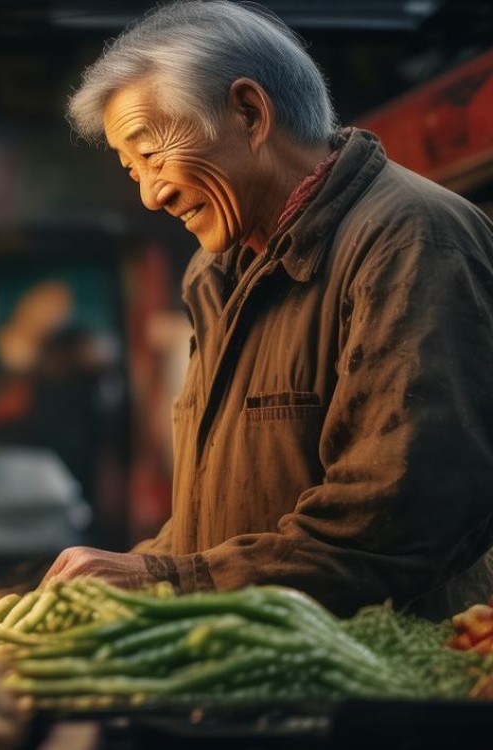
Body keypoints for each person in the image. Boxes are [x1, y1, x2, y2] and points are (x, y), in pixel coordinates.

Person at [46, 0, 493, 617]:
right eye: (132, 170)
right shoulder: (214, 272)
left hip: (385, 680)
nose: (151, 194)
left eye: (152, 156)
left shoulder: (411, 237)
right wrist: (141, 570)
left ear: (250, 113)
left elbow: (401, 516)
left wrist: (174, 583)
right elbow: (214, 515)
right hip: (259, 660)